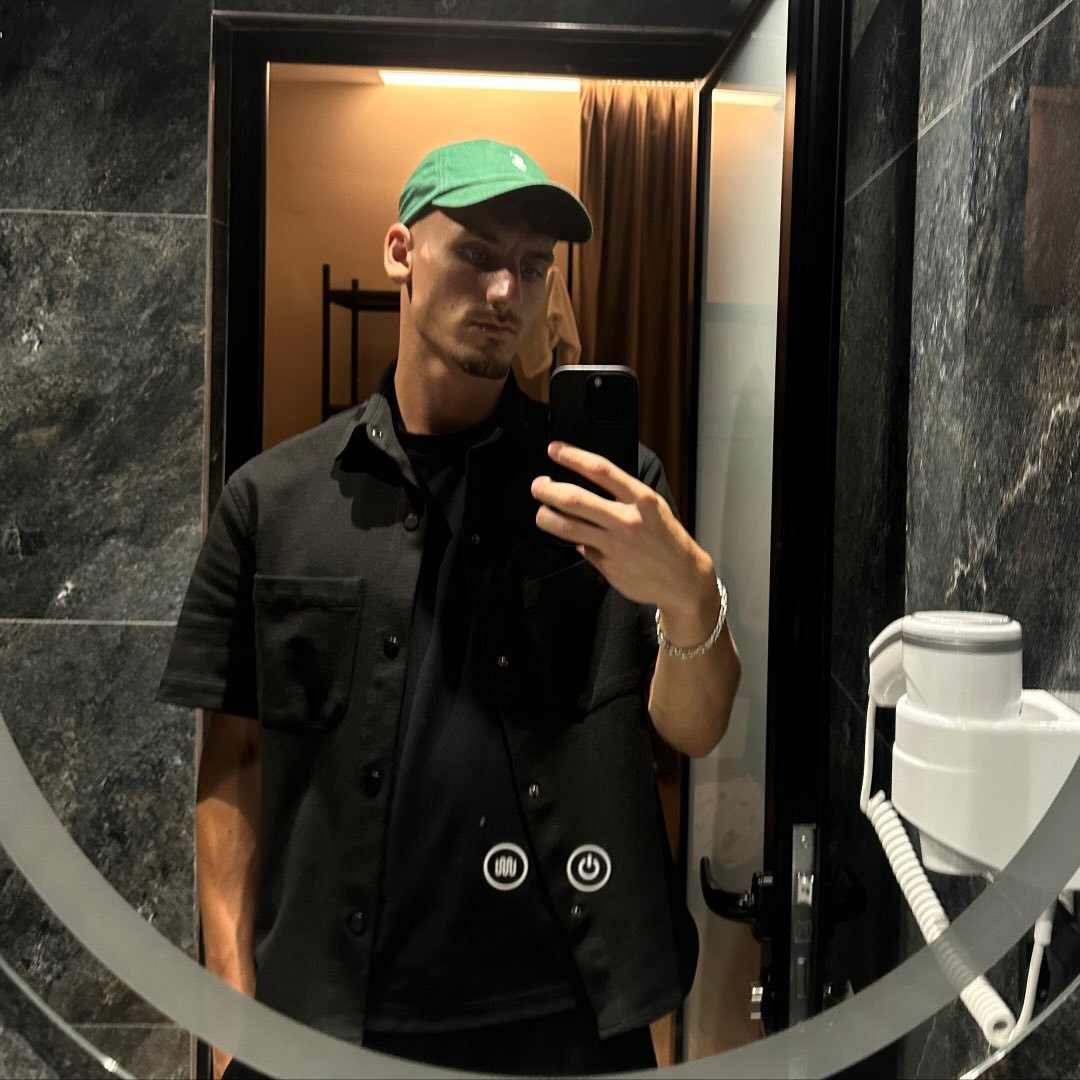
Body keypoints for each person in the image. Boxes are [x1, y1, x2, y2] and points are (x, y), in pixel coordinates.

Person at [158, 138, 741, 1078]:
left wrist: (688, 593)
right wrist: (230, 1006)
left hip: (566, 1026)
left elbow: (695, 727)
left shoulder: (613, 499)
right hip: (327, 1028)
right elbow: (236, 758)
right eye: (476, 253)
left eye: (534, 266)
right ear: (401, 252)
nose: (508, 290)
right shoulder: (273, 503)